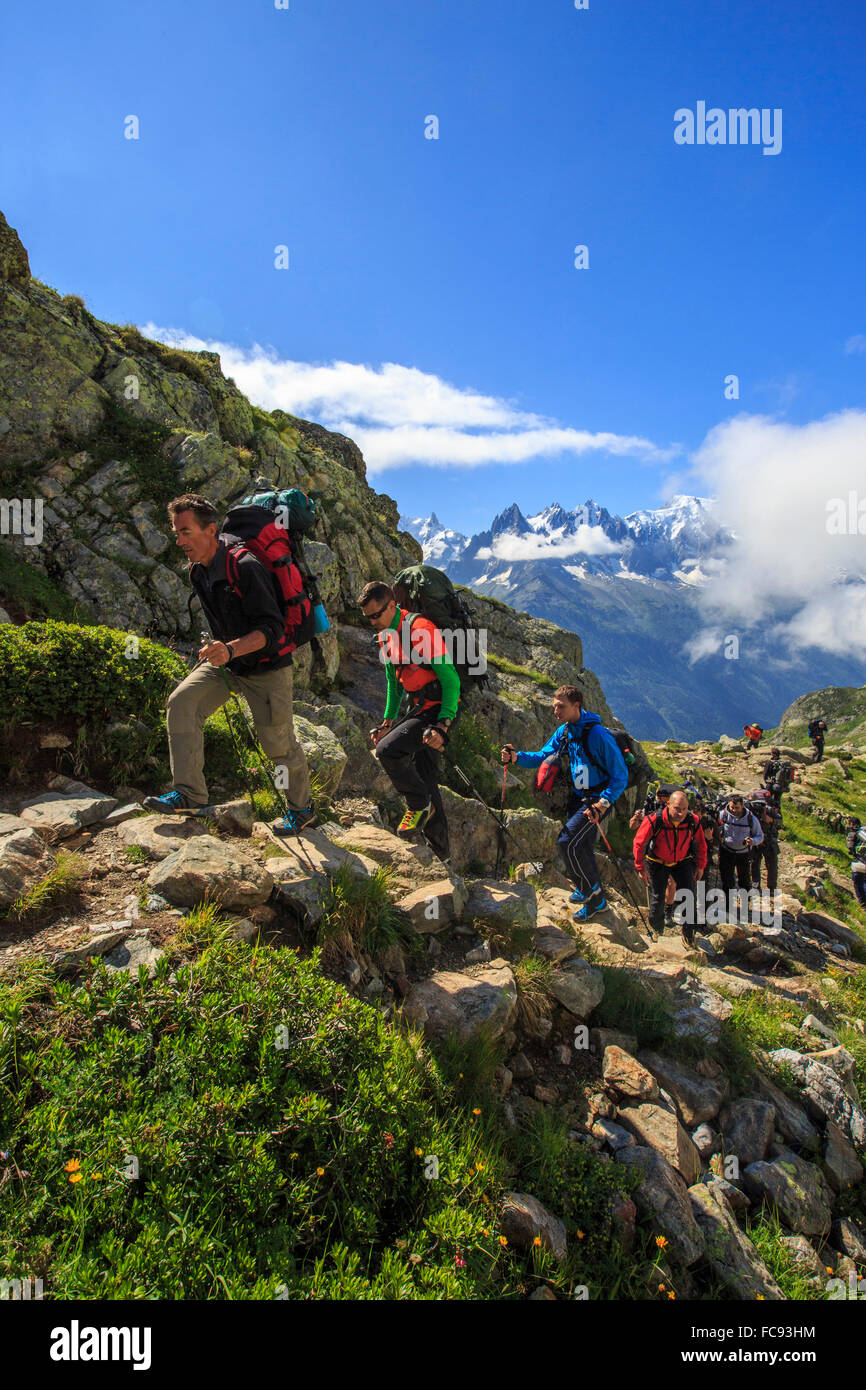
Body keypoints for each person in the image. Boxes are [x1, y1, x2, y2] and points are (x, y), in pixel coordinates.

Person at [143, 494, 314, 835]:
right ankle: (189, 794)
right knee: (183, 702)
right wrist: (221, 650)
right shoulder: (197, 571)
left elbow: (272, 629)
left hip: (267, 666)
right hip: (228, 662)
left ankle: (301, 809)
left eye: (185, 532)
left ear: (210, 530)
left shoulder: (246, 566)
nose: (179, 541)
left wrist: (230, 649)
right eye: (176, 532)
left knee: (276, 744)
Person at [500, 686, 628, 922]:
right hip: (578, 794)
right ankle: (590, 892)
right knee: (582, 846)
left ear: (576, 706)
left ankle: (594, 898)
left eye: (561, 706)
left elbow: (620, 775)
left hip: (597, 798)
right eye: (554, 705)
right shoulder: (565, 731)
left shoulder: (598, 734)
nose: (555, 710)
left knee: (567, 842)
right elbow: (542, 756)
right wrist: (517, 757)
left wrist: (603, 803)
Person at [358, 581, 460, 862]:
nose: (372, 622)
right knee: (426, 776)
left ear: (392, 605)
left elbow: (451, 680)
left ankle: (419, 804)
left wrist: (443, 726)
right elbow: (394, 681)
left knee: (387, 751)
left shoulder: (421, 630)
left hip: (439, 708)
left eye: (376, 615)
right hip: (419, 707)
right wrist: (388, 721)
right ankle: (442, 854)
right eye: (367, 617)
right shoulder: (386, 636)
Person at [633, 789, 707, 945]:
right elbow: (639, 843)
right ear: (668, 805)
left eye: (684, 809)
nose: (680, 813)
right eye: (677, 809)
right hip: (657, 861)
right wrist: (641, 867)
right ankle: (657, 931)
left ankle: (689, 935)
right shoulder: (655, 819)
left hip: (682, 861)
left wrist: (701, 866)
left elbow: (701, 843)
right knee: (658, 897)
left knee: (689, 896)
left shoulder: (692, 820)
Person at [630, 784, 678, 928]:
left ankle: (667, 912)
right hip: (653, 853)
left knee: (670, 883)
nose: (661, 803)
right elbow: (632, 827)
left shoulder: (678, 813)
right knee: (663, 884)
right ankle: (660, 914)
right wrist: (637, 818)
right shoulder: (650, 809)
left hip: (670, 853)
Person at [718, 794, 763, 902]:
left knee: (744, 880)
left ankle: (745, 905)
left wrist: (753, 841)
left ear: (742, 806)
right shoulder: (723, 815)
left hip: (743, 853)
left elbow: (760, 836)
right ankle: (728, 904)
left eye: (736, 807)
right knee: (727, 879)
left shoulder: (751, 819)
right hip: (726, 851)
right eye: (732, 807)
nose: (733, 810)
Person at [750, 796, 782, 894]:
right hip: (756, 841)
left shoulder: (770, 810)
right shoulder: (750, 811)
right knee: (754, 864)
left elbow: (780, 823)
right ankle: (756, 886)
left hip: (769, 841)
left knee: (772, 865)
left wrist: (771, 820)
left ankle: (772, 888)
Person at [845, 816, 866, 909]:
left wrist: (853, 852)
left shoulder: (853, 833)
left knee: (858, 882)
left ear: (852, 824)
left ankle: (863, 905)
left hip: (860, 863)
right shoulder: (863, 830)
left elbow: (850, 847)